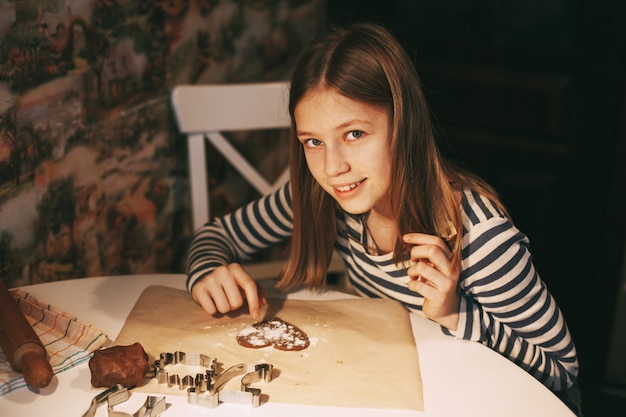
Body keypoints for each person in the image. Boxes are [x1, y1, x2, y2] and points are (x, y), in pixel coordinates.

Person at [186, 22, 580, 414]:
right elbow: (216, 235)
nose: (332, 166)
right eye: (313, 141)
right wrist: (207, 270)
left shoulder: (479, 237)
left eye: (354, 134)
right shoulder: (319, 193)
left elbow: (563, 376)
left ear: (403, 125)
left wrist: (456, 313)